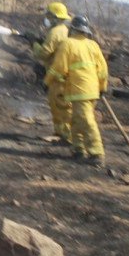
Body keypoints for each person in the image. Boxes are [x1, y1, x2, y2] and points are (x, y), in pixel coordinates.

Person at [45, 16, 109, 167]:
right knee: (76, 120)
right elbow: (103, 69)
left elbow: (58, 67)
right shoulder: (93, 45)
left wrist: (47, 81)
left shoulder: (68, 44)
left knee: (86, 120)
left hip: (79, 90)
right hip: (91, 90)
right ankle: (78, 149)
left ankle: (97, 153)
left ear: (72, 29)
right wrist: (102, 87)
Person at [33, 2, 72, 144]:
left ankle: (66, 136)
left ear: (55, 17)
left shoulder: (55, 32)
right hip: (59, 75)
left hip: (58, 76)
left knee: (61, 107)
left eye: (49, 16)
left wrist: (34, 44)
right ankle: (60, 133)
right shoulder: (64, 30)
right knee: (56, 106)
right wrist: (40, 41)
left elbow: (44, 54)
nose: (46, 18)